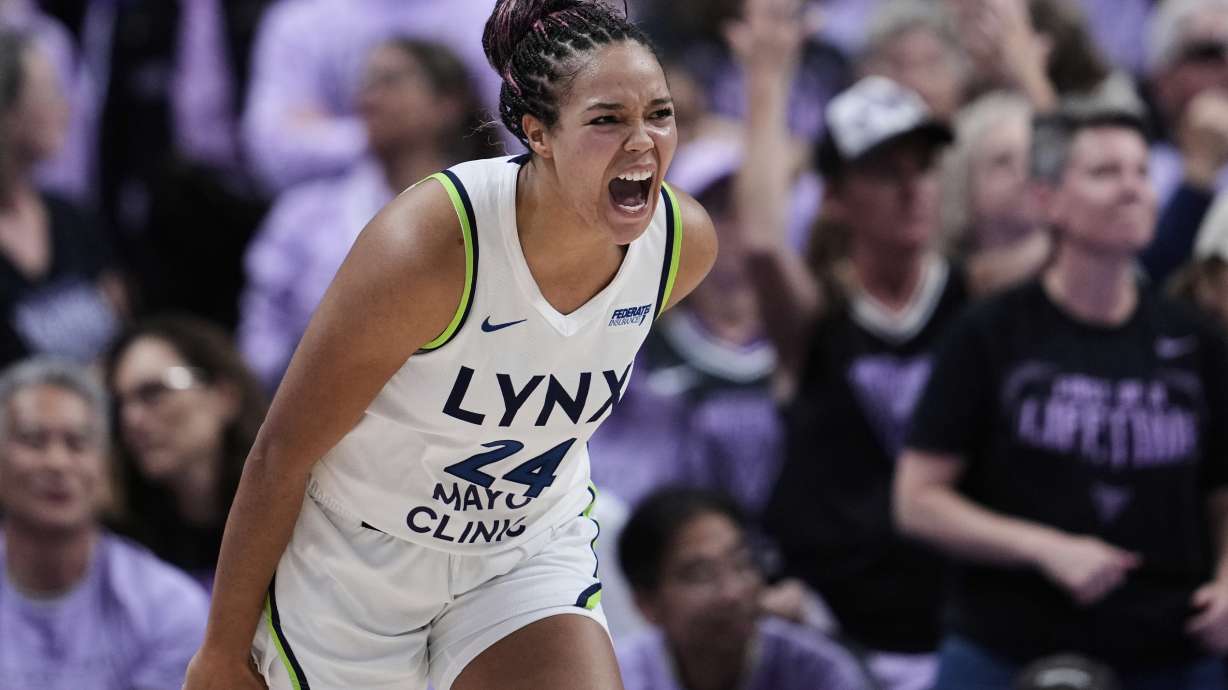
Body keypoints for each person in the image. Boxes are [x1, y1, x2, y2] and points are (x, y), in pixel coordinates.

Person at [183, 0, 717, 688]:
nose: (644, 140)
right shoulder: (431, 244)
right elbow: (282, 452)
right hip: (359, 561)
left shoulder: (682, 245)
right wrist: (222, 651)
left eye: (660, 113)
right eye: (608, 119)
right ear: (538, 134)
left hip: (521, 549)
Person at [895, 110, 1228, 688]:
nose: (1132, 187)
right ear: (1048, 200)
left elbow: (1224, 492)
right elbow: (918, 500)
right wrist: (1044, 548)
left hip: (1168, 641)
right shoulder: (990, 333)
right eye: (1104, 171)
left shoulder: (1196, 339)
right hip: (1008, 639)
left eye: (1142, 171)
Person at [730, 2, 963, 687]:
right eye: (886, 171)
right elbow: (766, 243)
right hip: (833, 632)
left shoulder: (975, 298)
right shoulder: (815, 320)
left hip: (963, 625)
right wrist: (768, 79)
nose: (912, 188)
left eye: (923, 166)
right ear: (834, 196)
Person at [239, 36, 498, 390]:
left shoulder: (497, 205)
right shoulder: (302, 216)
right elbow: (260, 343)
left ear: (447, 104)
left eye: (390, 81)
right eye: (364, 84)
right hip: (327, 412)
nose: (368, 98)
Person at [0, 357, 209, 689]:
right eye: (33, 440)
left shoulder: (167, 606)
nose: (57, 462)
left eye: (77, 443)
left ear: (106, 464)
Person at [615, 486, 872, 690]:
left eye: (742, 563)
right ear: (646, 603)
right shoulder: (615, 676)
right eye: (701, 575)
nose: (731, 593)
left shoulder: (818, 671)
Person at [106, 314, 268, 589]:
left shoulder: (292, 513)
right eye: (121, 403)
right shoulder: (122, 548)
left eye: (153, 393)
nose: (131, 420)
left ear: (223, 395)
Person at [0, 29, 124, 368]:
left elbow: (123, 333)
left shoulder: (71, 217)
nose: (65, 108)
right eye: (49, 92)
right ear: (7, 113)